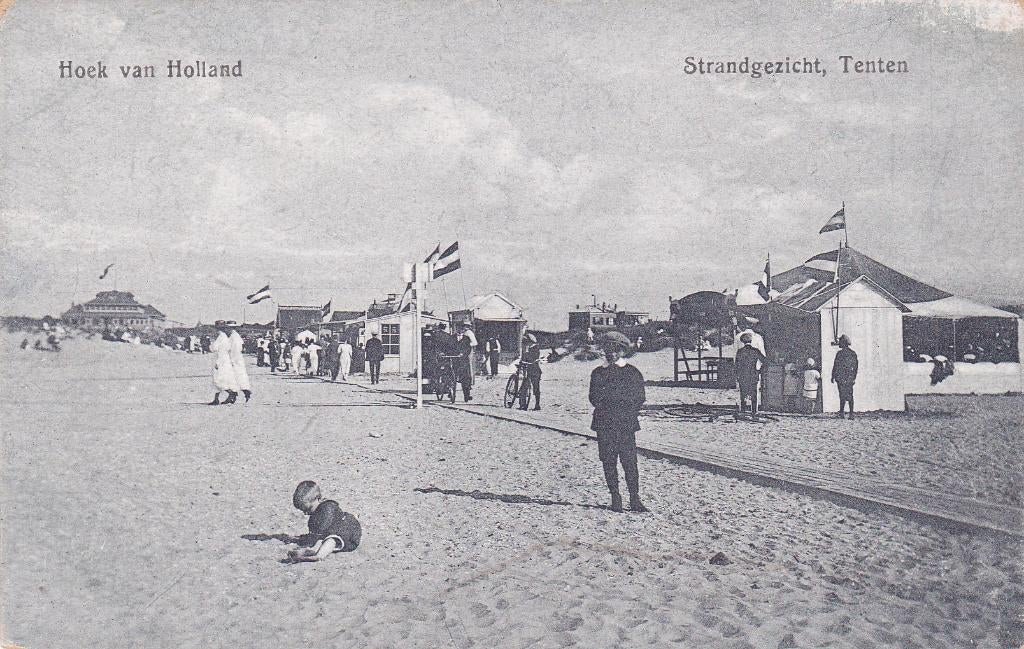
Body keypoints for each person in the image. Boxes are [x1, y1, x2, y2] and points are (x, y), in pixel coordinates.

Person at [589, 331, 648, 513]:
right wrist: (609, 406)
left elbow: (639, 397)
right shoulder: (598, 373)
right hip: (605, 424)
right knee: (608, 461)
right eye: (608, 349)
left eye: (615, 349)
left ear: (622, 351)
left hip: (625, 424)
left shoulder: (632, 373)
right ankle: (615, 497)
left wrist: (623, 410)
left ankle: (634, 498)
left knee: (629, 462)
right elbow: (593, 397)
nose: (611, 353)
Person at [287, 481, 362, 562]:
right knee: (322, 540)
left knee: (331, 540)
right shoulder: (316, 513)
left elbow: (323, 529)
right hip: (335, 529)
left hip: (348, 531)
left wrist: (314, 538)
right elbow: (316, 533)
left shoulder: (328, 508)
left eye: (308, 509)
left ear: (318, 499)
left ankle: (318, 556)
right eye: (303, 510)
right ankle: (310, 551)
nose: (305, 513)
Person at [735, 332, 766, 419]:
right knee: (754, 394)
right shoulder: (755, 351)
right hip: (753, 374)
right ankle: (754, 412)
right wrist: (759, 370)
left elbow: (736, 365)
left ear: (742, 341)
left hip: (743, 375)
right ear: (751, 341)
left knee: (743, 394)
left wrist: (737, 375)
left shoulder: (740, 351)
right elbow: (764, 360)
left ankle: (743, 411)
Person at [209, 320, 240, 405]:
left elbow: (214, 348)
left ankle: (231, 393)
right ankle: (217, 399)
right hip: (224, 359)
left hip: (220, 360)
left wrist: (217, 362)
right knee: (220, 379)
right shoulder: (224, 337)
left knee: (218, 379)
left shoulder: (220, 337)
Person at [831, 334, 859, 419]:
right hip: (849, 377)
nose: (839, 343)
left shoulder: (839, 354)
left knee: (842, 395)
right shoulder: (853, 353)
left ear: (843, 343)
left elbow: (835, 366)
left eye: (840, 342)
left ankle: (843, 413)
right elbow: (856, 367)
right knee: (850, 395)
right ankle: (850, 414)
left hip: (841, 377)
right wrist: (853, 377)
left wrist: (833, 376)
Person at [226, 321, 252, 402]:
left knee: (234, 377)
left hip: (235, 359)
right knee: (236, 377)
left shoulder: (234, 337)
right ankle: (237, 394)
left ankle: (241, 393)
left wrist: (232, 361)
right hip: (235, 359)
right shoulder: (233, 336)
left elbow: (235, 350)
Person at [518, 333, 542, 410]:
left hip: (535, 371)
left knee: (535, 388)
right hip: (529, 370)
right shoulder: (527, 349)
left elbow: (534, 358)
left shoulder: (535, 348)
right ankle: (523, 405)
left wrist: (530, 361)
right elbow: (524, 358)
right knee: (524, 387)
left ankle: (537, 405)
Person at [454, 327, 474, 401]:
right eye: (458, 329)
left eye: (461, 329)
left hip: (463, 361)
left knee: (465, 379)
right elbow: (448, 347)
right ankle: (451, 392)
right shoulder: (452, 338)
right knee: (451, 377)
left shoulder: (466, 338)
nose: (460, 331)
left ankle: (466, 395)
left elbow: (468, 349)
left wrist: (463, 353)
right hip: (454, 360)